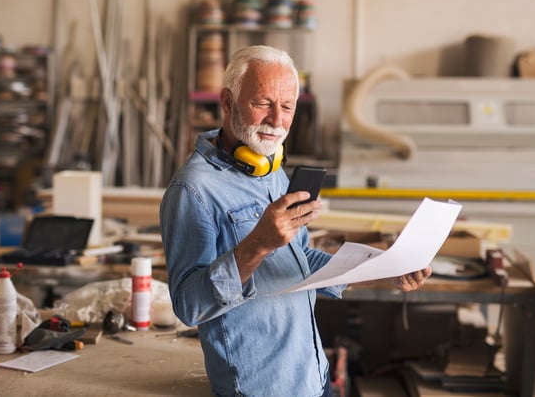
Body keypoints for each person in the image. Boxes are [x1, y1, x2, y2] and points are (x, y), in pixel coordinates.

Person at [160, 45, 431, 397]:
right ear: (227, 102)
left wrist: (382, 269)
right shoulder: (192, 190)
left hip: (313, 377)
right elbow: (188, 306)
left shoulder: (270, 169)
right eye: (262, 103)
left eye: (287, 107)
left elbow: (301, 264)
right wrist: (258, 244)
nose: (277, 120)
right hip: (260, 389)